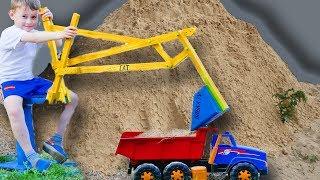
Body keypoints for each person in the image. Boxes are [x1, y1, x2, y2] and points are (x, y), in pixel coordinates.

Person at [0, 0, 79, 172]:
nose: (29, 21)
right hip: (10, 82)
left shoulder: (35, 31)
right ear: (12, 15)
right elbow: (35, 38)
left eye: (34, 17)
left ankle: (55, 141)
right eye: (24, 16)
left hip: (30, 80)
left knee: (72, 98)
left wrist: (50, 24)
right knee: (14, 109)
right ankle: (31, 156)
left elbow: (56, 44)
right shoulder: (10, 33)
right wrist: (61, 33)